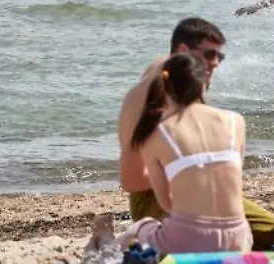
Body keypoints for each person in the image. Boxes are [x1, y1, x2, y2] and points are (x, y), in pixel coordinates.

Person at [117, 18, 274, 250]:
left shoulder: (179, 80)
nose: (215, 63)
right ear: (183, 51)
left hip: (197, 191)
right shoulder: (149, 98)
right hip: (155, 198)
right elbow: (132, 180)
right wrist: (187, 170)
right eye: (209, 55)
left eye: (219, 57)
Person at [92, 54, 251, 254]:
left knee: (140, 228)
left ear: (165, 90)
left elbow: (167, 203)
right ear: (203, 86)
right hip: (238, 238)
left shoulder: (157, 134)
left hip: (187, 241)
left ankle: (107, 246)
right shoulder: (235, 121)